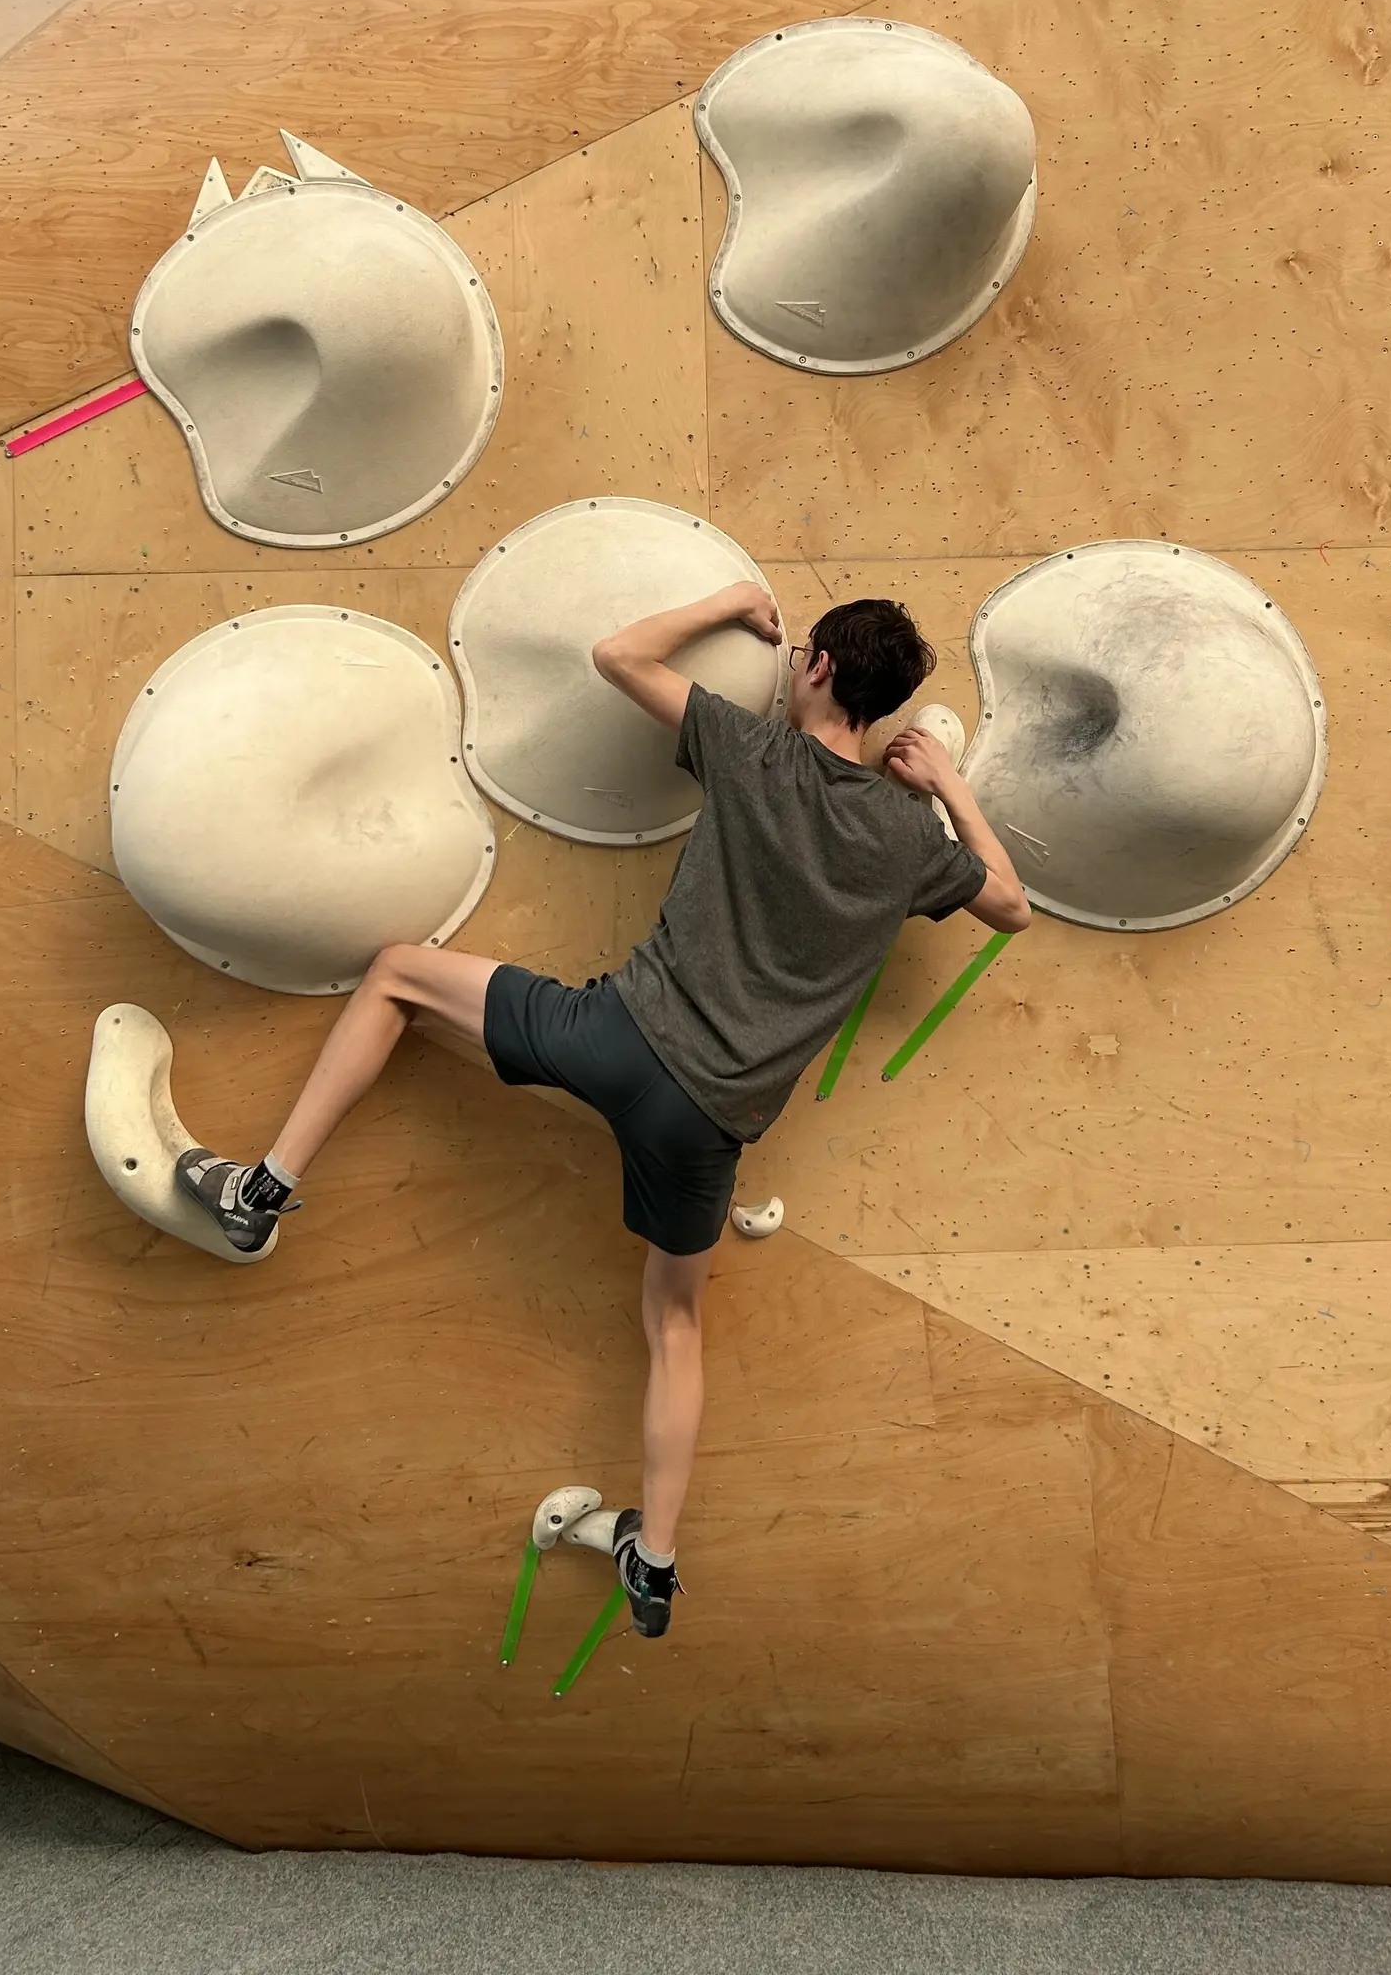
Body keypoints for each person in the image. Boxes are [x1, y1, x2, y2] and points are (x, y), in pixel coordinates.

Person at [175, 589, 1031, 1636]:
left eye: (804, 650)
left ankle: (262, 1190)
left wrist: (732, 604)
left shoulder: (749, 749)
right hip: (706, 1124)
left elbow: (616, 653)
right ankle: (656, 1559)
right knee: (674, 1324)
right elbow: (1011, 906)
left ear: (814, 671)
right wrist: (945, 783)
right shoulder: (908, 839)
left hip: (614, 1037)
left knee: (398, 976)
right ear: (890, 706)